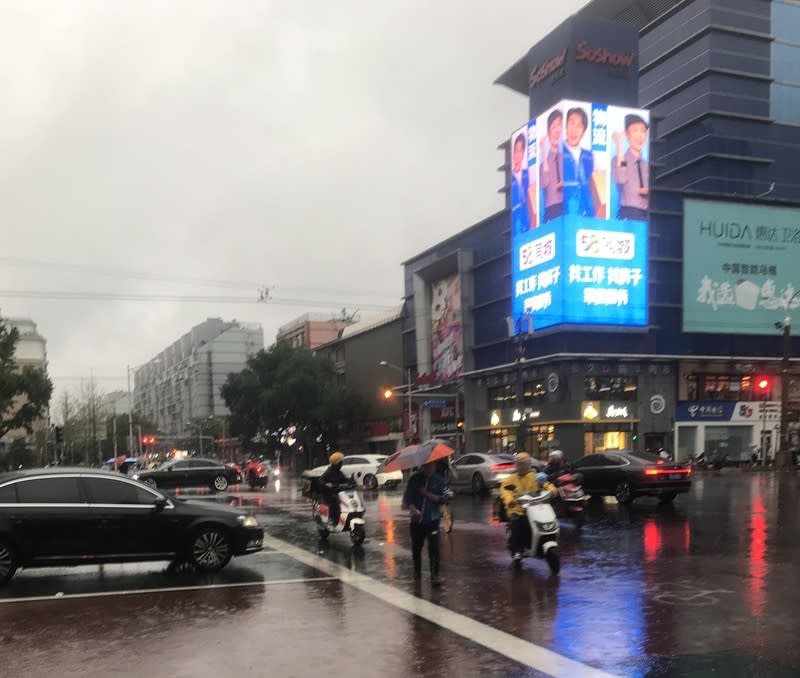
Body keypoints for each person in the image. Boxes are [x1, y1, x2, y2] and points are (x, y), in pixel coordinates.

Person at [500, 452, 557, 562]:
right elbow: (506, 492)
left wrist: (552, 490)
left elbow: (546, 485)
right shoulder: (509, 480)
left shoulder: (535, 477)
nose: (524, 466)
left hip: (535, 508)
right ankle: (517, 550)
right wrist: (511, 500)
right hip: (518, 510)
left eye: (526, 463)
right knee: (516, 522)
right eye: (520, 464)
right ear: (516, 465)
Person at [402, 460, 449, 586]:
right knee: (416, 547)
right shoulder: (415, 479)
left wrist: (426, 493)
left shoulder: (440, 481)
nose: (429, 468)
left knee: (434, 548)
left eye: (431, 465)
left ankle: (435, 576)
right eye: (426, 465)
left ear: (435, 466)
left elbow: (444, 498)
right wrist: (412, 508)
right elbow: (407, 498)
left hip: (432, 520)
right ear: (422, 466)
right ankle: (417, 571)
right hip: (416, 521)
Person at [612, 113, 649, 221]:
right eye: (635, 130)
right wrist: (619, 145)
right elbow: (621, 178)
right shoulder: (618, 159)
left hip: (647, 216)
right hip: (629, 214)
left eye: (643, 131)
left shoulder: (647, 165)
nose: (640, 136)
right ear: (626, 134)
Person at [562, 107, 595, 217]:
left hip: (586, 213)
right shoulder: (558, 153)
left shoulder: (588, 156)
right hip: (566, 213)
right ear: (566, 126)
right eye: (572, 124)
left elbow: (591, 184)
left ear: (584, 132)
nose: (574, 130)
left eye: (579, 126)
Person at [540, 109, 564, 222]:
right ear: (548, 133)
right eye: (554, 127)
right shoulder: (544, 163)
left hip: (567, 206)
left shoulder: (565, 158)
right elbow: (544, 182)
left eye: (559, 126)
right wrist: (543, 152)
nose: (557, 131)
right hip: (552, 209)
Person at [320, 452, 351, 527]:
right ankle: (331, 519)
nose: (341, 464)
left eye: (341, 462)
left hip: (337, 491)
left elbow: (345, 479)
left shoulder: (339, 472)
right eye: (340, 463)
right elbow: (321, 479)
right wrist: (326, 484)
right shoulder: (329, 472)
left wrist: (352, 481)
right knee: (334, 501)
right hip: (328, 493)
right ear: (335, 463)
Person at [511, 132, 532, 234]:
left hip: (525, 215)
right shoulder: (510, 177)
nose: (517, 155)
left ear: (523, 153)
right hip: (515, 217)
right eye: (515, 151)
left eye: (520, 151)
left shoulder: (526, 174)